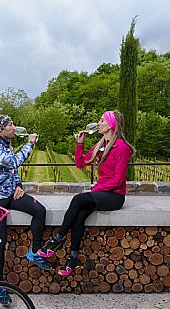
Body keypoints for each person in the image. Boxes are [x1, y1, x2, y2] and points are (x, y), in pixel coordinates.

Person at [38, 110, 134, 276]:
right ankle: (73, 258)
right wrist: (80, 143)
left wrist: (95, 190)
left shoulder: (122, 148)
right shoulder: (100, 145)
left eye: (102, 120)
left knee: (78, 199)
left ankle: (57, 239)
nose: (99, 123)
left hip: (115, 196)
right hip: (102, 192)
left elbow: (118, 180)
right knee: (80, 213)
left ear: (111, 125)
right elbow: (80, 163)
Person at [0, 114, 51, 286]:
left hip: (10, 193)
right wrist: (30, 143)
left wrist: (18, 184)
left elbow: (11, 171)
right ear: (0, 130)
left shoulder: (5, 141)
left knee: (39, 211)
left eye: (12, 124)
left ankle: (34, 252)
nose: (14, 127)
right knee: (0, 242)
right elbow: (13, 162)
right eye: (10, 125)